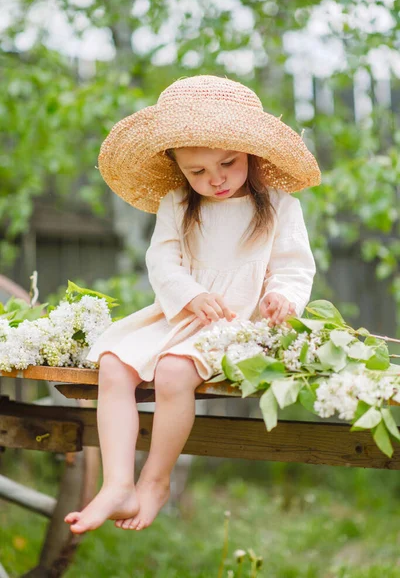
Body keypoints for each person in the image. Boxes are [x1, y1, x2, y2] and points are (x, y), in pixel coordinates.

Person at [64, 74, 321, 534]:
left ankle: (155, 480)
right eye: (197, 171)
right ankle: (117, 483)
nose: (214, 179)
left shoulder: (279, 205)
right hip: (184, 312)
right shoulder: (179, 202)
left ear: (252, 155)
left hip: (242, 322)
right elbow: (163, 261)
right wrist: (190, 295)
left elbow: (294, 265)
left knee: (174, 371)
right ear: (178, 167)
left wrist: (282, 297)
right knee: (113, 363)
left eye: (227, 163)